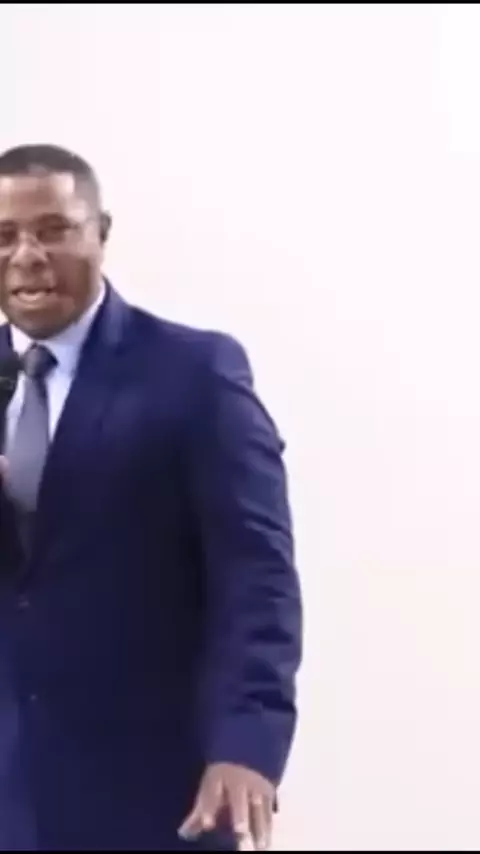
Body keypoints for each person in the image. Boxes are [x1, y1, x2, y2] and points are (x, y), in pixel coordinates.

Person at [0, 144, 302, 851]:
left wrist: (247, 744)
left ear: (101, 232)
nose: (26, 256)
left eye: (52, 230)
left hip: (151, 791)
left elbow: (256, 574)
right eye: (5, 236)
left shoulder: (194, 374)